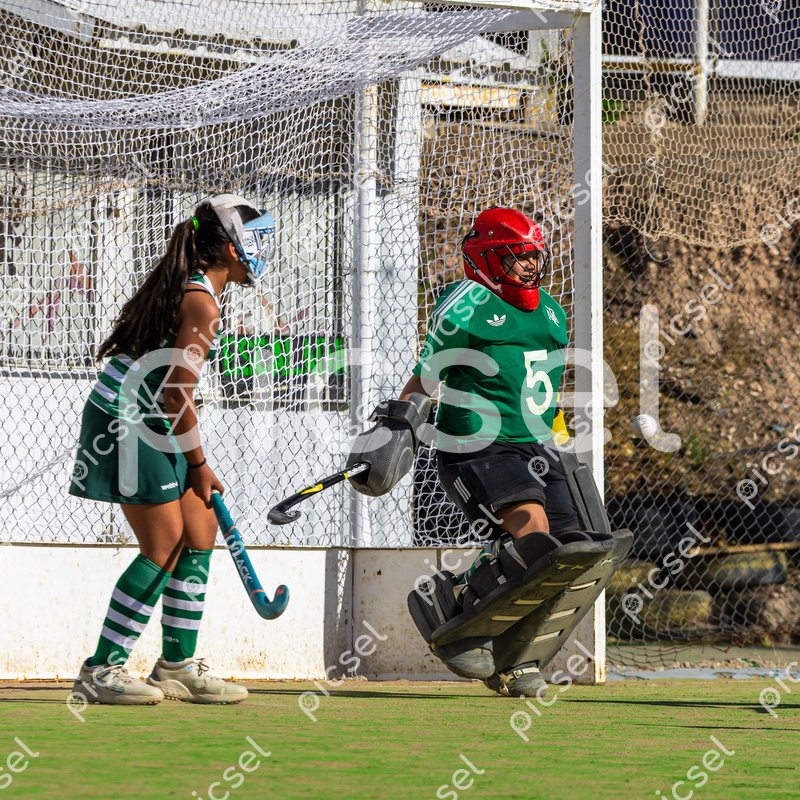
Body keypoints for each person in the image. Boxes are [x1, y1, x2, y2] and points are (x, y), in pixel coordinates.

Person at [68, 194, 275, 705]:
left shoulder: (201, 290)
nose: (265, 249)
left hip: (154, 419)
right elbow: (177, 394)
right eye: (258, 239)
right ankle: (101, 669)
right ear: (232, 248)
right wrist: (198, 463)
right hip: (125, 418)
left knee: (199, 529)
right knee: (163, 544)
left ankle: (176, 666)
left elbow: (174, 395)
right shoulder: (202, 302)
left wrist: (194, 459)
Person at [399, 206, 581, 696]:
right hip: (476, 445)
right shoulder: (466, 304)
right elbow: (426, 379)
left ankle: (516, 658)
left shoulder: (551, 312)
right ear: (486, 258)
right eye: (518, 256)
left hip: (535, 446)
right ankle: (456, 598)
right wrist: (395, 428)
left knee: (569, 554)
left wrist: (562, 445)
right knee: (534, 534)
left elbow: (546, 392)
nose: (531, 264)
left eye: (534, 255)